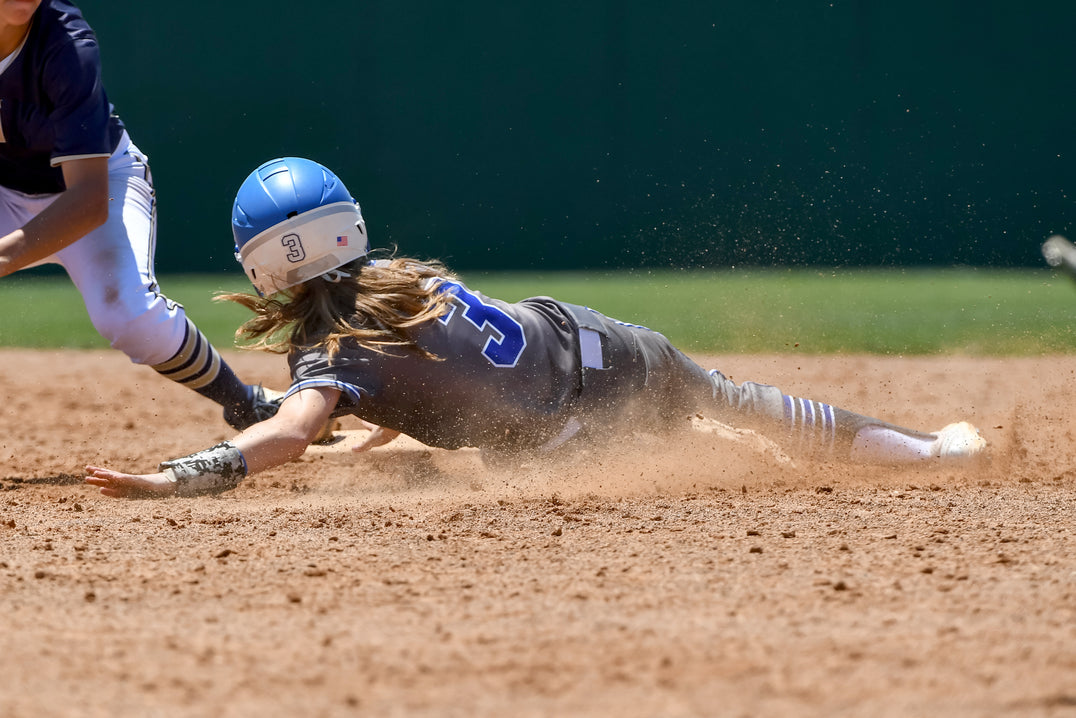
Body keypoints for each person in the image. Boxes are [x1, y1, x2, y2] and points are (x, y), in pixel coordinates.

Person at [85, 157, 987, 499]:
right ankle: (933, 453)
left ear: (260, 266)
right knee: (744, 402)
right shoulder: (408, 280)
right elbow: (440, 365)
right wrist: (378, 431)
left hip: (564, 436)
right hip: (610, 344)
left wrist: (185, 475)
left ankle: (725, 448)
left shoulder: (328, 352)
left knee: (475, 470)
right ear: (349, 226)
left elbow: (286, 432)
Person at [0, 0, 279, 430]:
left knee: (127, 313)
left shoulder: (67, 47)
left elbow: (90, 201)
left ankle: (245, 402)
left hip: (97, 186)